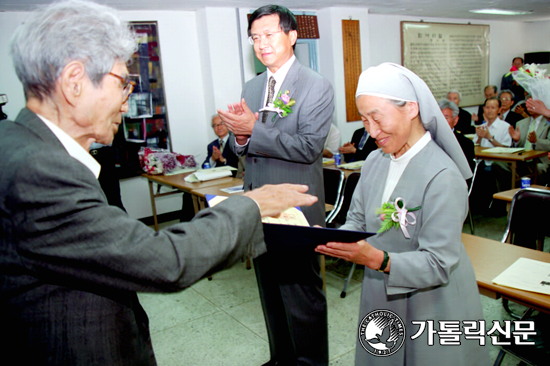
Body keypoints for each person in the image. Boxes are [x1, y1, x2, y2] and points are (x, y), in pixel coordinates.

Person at [0, 1, 319, 364]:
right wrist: (253, 204)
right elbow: (165, 260)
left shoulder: (20, 146)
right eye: (123, 83)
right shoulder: (38, 173)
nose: (126, 102)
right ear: (74, 82)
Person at [315, 63, 489, 365]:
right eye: (364, 120)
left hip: (433, 298)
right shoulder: (373, 162)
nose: (371, 131)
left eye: (377, 118)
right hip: (380, 288)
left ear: (411, 108)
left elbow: (437, 262)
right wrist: (329, 239)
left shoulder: (443, 174)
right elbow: (357, 219)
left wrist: (376, 259)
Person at [218, 5, 333, 365]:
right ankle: (281, 358)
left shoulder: (316, 86)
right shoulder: (252, 86)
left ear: (292, 36)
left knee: (301, 294)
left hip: (296, 207)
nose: (261, 43)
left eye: (269, 34)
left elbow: (308, 147)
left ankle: (311, 363)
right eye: (255, 37)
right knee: (269, 289)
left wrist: (253, 131)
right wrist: (238, 137)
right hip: (258, 204)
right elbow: (244, 148)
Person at [438, 99, 475, 172]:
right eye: (439, 117)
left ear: (455, 120)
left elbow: (466, 173)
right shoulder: (429, 139)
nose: (441, 121)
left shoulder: (466, 144)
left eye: (446, 118)